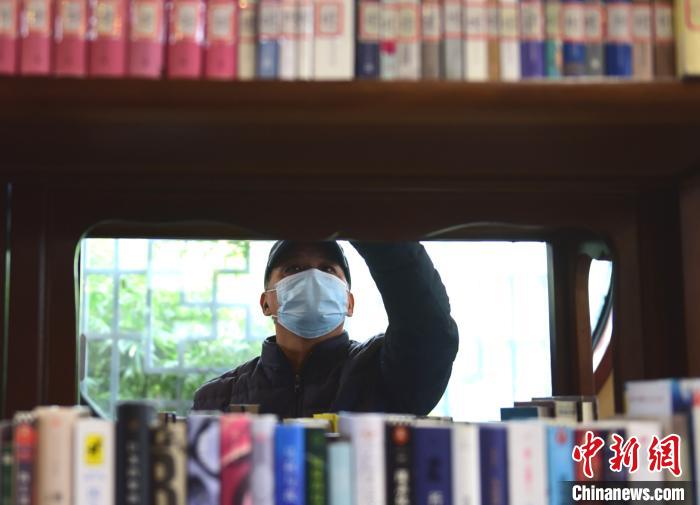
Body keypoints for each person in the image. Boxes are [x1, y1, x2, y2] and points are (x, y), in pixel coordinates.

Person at [192, 241, 459, 417]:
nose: (313, 277)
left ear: (349, 302)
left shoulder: (384, 372)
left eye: (328, 269)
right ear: (265, 303)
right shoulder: (217, 400)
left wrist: (368, 221)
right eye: (293, 268)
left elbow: (428, 326)